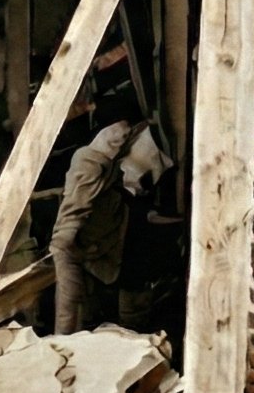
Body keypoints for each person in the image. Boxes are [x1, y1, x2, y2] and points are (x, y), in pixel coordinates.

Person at [49, 119, 168, 334]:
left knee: (131, 321)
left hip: (125, 251)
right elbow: (67, 234)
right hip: (95, 249)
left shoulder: (120, 190)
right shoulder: (91, 168)